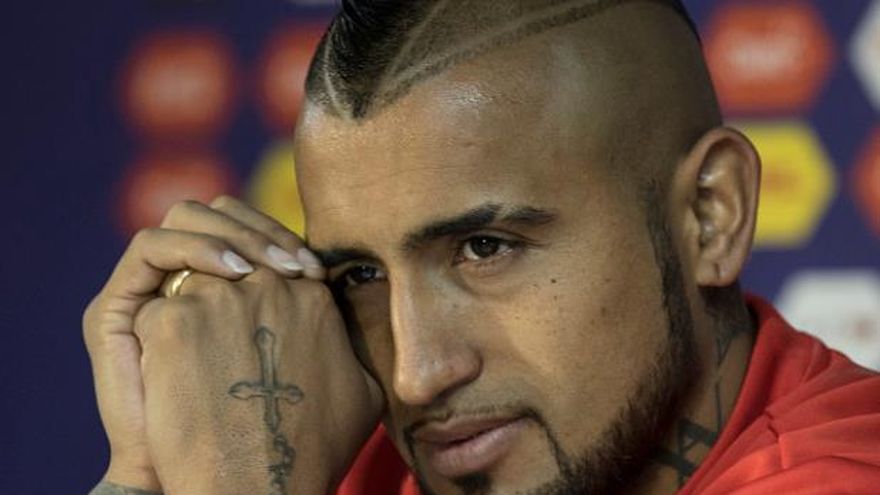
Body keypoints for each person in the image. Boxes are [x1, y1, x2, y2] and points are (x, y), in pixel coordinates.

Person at [84, 1, 880, 494]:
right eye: (359, 273)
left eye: (485, 247)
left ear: (711, 213)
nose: (416, 373)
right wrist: (145, 470)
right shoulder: (343, 447)